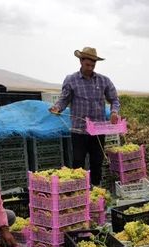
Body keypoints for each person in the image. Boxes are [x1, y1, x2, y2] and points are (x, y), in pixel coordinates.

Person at [49, 46, 120, 186]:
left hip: (98, 131)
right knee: (78, 162)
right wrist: (57, 107)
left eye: (93, 65)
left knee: (97, 162)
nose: (90, 67)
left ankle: (96, 190)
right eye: (87, 64)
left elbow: (114, 100)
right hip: (79, 130)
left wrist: (114, 112)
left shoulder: (104, 81)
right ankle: (79, 191)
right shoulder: (71, 80)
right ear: (81, 61)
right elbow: (64, 99)